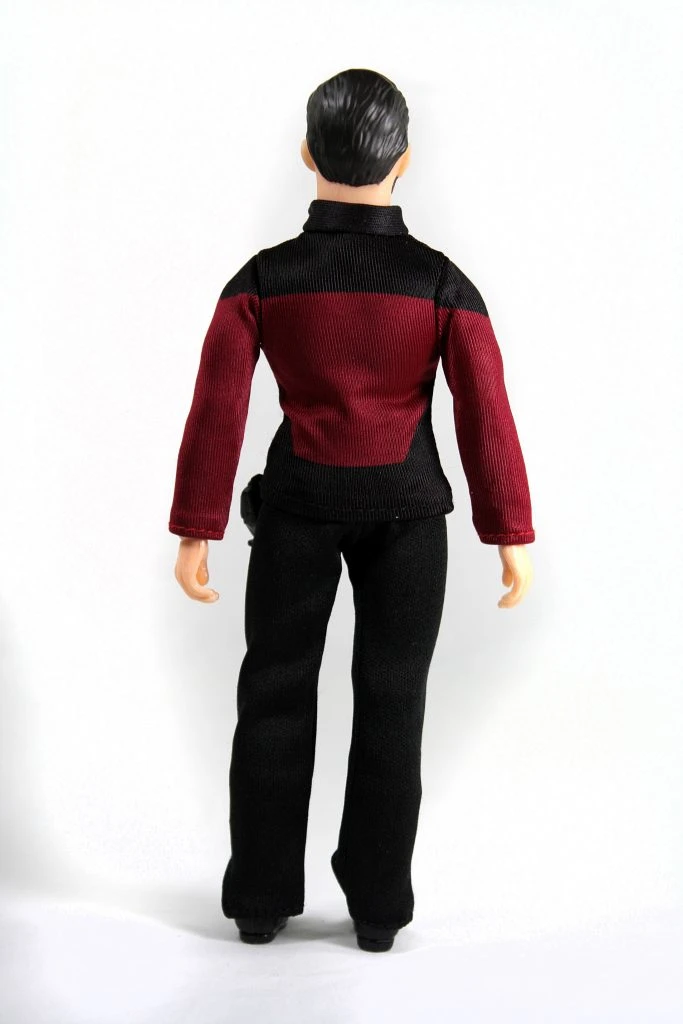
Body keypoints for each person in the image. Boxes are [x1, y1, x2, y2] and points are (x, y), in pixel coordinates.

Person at [168, 68, 535, 952]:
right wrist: (508, 533)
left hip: (296, 507)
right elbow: (485, 411)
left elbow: (217, 406)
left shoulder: (265, 279)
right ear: (405, 159)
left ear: (306, 154)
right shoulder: (441, 284)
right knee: (393, 703)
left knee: (273, 693)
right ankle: (377, 906)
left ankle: (259, 898)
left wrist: (196, 525)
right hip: (408, 516)